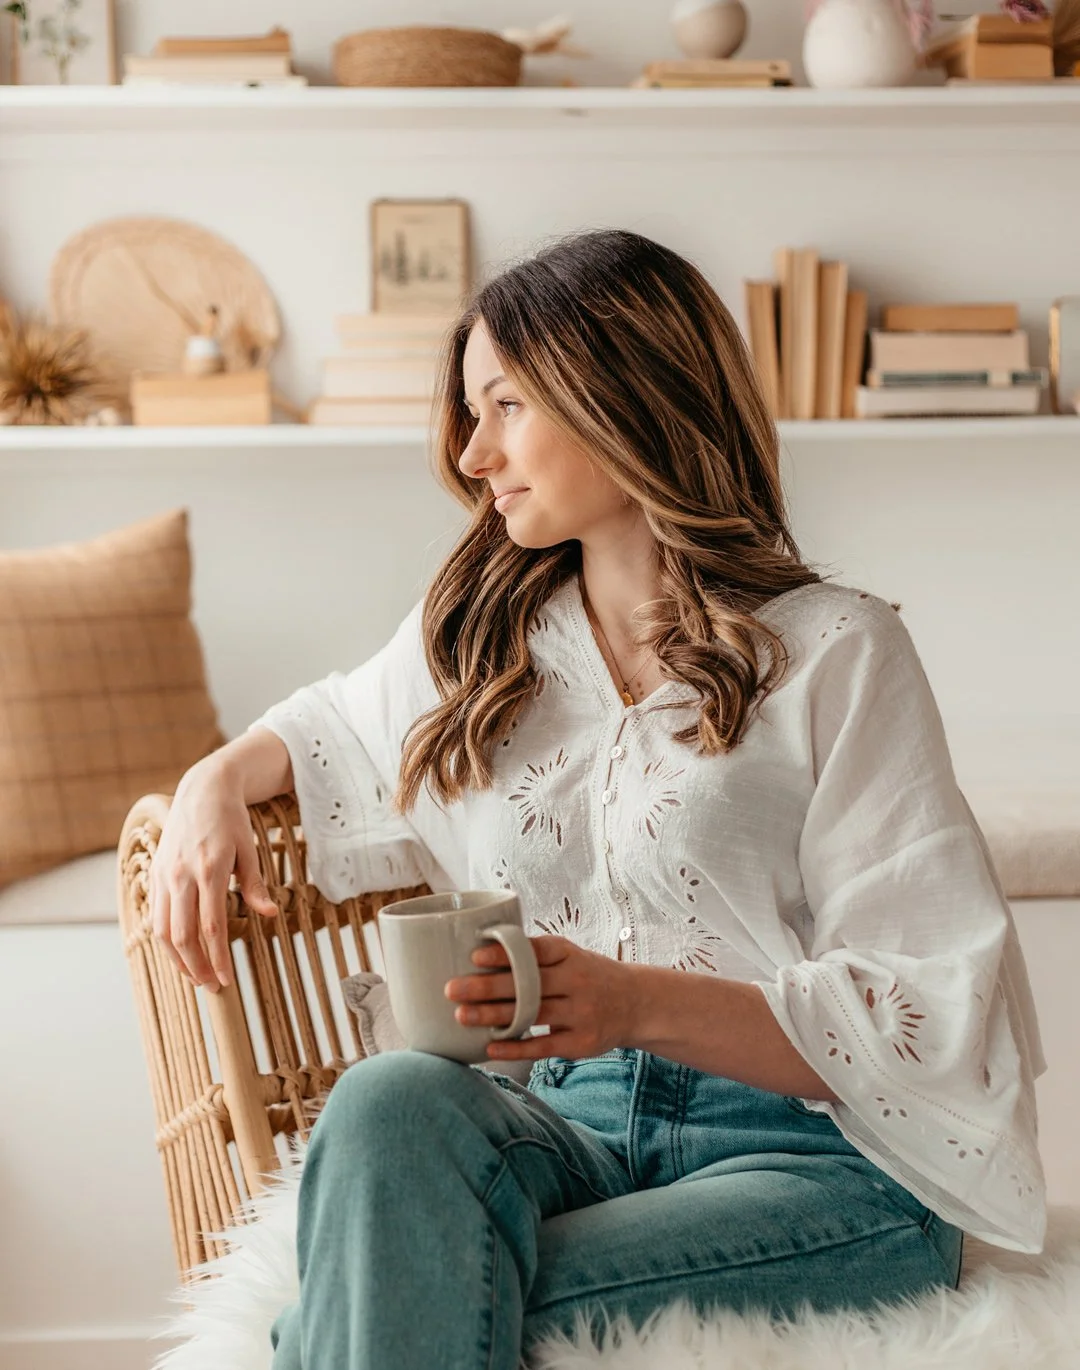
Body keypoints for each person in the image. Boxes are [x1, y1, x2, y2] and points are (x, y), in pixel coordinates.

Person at [151, 228, 1047, 1370]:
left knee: (404, 1281)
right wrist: (211, 780)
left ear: (620, 393)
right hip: (552, 1128)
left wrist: (632, 1003)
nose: (474, 455)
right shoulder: (486, 646)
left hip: (803, 1159)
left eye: (506, 406)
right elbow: (323, 727)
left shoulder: (837, 653)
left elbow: (927, 1001)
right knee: (384, 1102)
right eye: (470, 416)